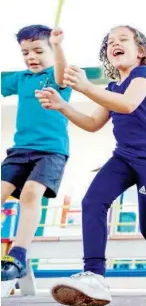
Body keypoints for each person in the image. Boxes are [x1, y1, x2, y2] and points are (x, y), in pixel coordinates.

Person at [35, 25, 146, 305]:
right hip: (123, 157)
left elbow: (127, 104)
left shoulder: (142, 75)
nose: (115, 44)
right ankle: (95, 275)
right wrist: (63, 105)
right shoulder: (111, 88)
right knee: (92, 202)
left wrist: (86, 87)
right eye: (110, 42)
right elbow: (92, 123)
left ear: (141, 52)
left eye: (123, 40)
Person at [1, 25, 71, 282]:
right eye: (25, 52)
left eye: (38, 51)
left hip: (51, 152)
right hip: (19, 151)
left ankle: (18, 255)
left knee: (31, 194)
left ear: (52, 52)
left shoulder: (56, 75)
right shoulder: (21, 78)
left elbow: (62, 76)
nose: (31, 57)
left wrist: (59, 46)